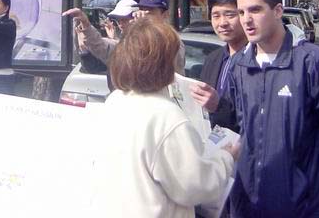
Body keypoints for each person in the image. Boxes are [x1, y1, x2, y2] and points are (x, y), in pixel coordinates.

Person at [226, 0, 319, 218]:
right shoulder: (238, 65)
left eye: (255, 10)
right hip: (246, 205)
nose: (246, 19)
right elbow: (238, 126)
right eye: (241, 12)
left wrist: (303, 171)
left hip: (301, 206)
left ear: (278, 11)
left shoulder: (313, 63)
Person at [89, 18, 235, 217]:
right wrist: (225, 158)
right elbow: (195, 186)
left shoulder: (115, 101)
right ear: (164, 63)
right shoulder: (166, 116)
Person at [190, 0, 246, 131]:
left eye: (230, 15)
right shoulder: (213, 58)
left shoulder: (257, 59)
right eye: (216, 16)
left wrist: (218, 106)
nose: (222, 23)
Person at [68, 0, 138, 67]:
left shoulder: (138, 43)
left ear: (136, 18)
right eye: (118, 20)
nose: (121, 24)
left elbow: (103, 46)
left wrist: (86, 25)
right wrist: (113, 39)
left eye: (125, 19)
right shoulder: (125, 40)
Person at [134, 0, 185, 75]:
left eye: (150, 12)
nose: (144, 15)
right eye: (142, 9)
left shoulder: (172, 40)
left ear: (165, 15)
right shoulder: (137, 34)